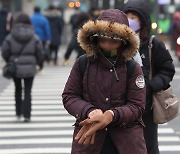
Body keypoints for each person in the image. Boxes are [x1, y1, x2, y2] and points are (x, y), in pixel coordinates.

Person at [62, 9, 147, 153]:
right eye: (102, 40)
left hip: (126, 141)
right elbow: (69, 96)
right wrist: (89, 110)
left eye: (113, 41)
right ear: (94, 38)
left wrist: (112, 115)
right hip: (89, 138)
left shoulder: (132, 67)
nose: (107, 45)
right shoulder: (83, 63)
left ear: (124, 41)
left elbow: (137, 106)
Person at [123, 0, 175, 154]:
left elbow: (167, 69)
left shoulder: (153, 44)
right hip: (120, 108)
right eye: (127, 16)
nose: (130, 20)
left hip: (146, 110)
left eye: (134, 17)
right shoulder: (116, 42)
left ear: (143, 20)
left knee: (147, 147)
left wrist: (151, 85)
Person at [1, 13, 44, 122]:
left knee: (18, 89)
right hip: (30, 67)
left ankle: (18, 112)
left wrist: (9, 61)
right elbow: (40, 52)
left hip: (15, 66)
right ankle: (27, 115)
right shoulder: (34, 37)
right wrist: (37, 63)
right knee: (28, 91)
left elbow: (5, 51)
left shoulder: (11, 36)